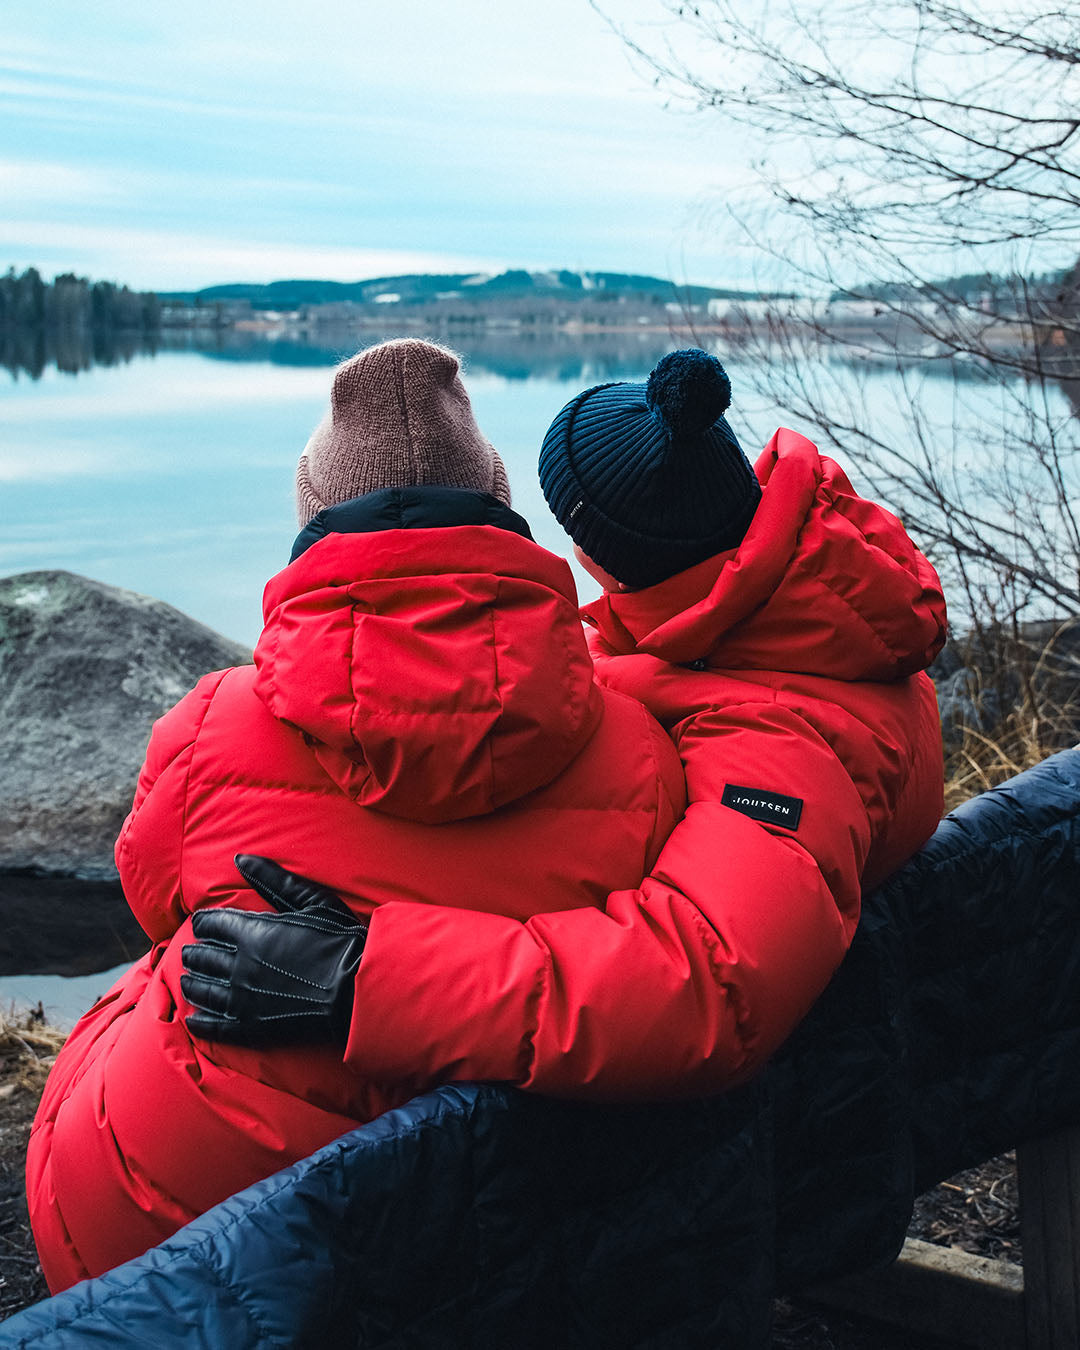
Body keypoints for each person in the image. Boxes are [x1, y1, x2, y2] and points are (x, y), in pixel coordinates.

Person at [24, 339, 686, 1293]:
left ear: (312, 515)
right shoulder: (639, 746)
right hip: (501, 1235)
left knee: (147, 984)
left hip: (178, 1239)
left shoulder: (212, 722)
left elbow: (154, 900)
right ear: (503, 515)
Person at [178, 350, 946, 1108]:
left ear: (595, 559)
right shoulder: (819, 607)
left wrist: (363, 980)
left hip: (793, 1120)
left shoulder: (779, 741)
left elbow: (709, 986)